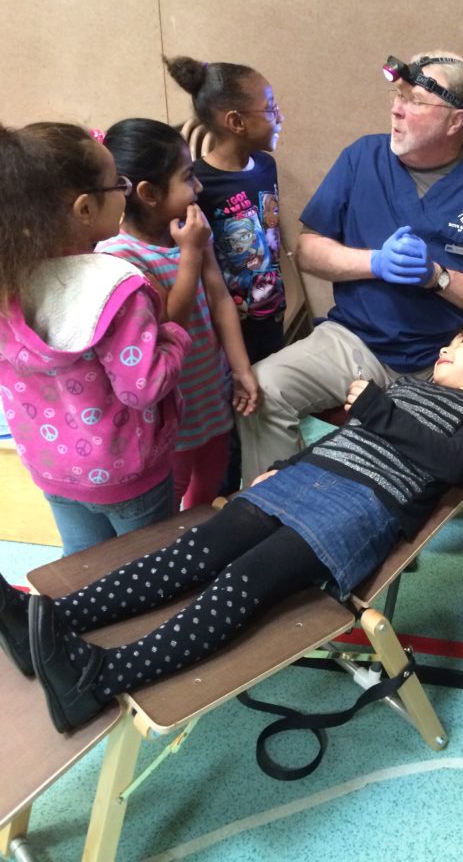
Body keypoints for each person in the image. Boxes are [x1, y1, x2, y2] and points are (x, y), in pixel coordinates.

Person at [0, 326, 463, 731]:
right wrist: (287, 468)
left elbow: (453, 463)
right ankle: (48, 617)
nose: (446, 344)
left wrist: (379, 411)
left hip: (360, 508)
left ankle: (98, 679)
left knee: (243, 581)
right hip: (309, 478)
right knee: (194, 551)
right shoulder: (410, 387)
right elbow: (347, 441)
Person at [236, 50, 463, 497]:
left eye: (416, 100)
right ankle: (278, 508)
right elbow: (308, 250)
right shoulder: (361, 158)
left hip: (455, 353)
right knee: (263, 388)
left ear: (455, 121)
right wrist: (374, 263)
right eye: (397, 94)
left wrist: (438, 277)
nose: (397, 107)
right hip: (357, 342)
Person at [0, 122, 191, 557]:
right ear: (85, 208)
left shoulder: (8, 281)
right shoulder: (117, 287)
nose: (124, 190)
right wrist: (175, 337)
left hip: (52, 469)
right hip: (127, 473)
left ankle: (74, 623)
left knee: (84, 567)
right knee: (149, 569)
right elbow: (141, 386)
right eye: (118, 183)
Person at [98, 119, 258, 509]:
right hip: (171, 412)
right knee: (169, 501)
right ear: (149, 193)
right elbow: (170, 324)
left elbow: (220, 298)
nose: (199, 188)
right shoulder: (120, 256)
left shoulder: (191, 231)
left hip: (211, 394)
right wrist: (189, 253)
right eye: (189, 178)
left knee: (211, 482)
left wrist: (240, 369)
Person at [164, 55, 286, 365]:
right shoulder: (198, 184)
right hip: (227, 330)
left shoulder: (266, 166)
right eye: (270, 108)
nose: (279, 117)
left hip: (271, 314)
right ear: (236, 122)